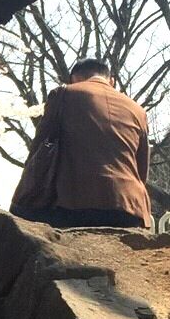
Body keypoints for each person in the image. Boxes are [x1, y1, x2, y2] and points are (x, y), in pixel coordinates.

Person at [11, 57, 151, 228]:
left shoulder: (63, 94)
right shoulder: (138, 110)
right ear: (111, 81)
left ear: (74, 79)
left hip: (75, 203)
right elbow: (142, 169)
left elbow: (39, 147)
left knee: (18, 214)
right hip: (130, 206)